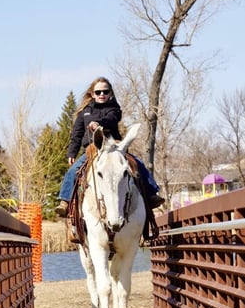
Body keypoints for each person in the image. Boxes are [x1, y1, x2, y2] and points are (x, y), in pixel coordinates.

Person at [55, 76, 164, 217]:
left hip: (114, 148)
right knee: (74, 170)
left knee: (138, 164)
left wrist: (97, 123)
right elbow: (77, 134)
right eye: (98, 92)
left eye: (105, 92)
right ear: (92, 94)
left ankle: (151, 195)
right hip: (92, 149)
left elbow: (111, 120)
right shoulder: (84, 111)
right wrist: (72, 153)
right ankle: (65, 202)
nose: (102, 95)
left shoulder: (114, 108)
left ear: (110, 93)